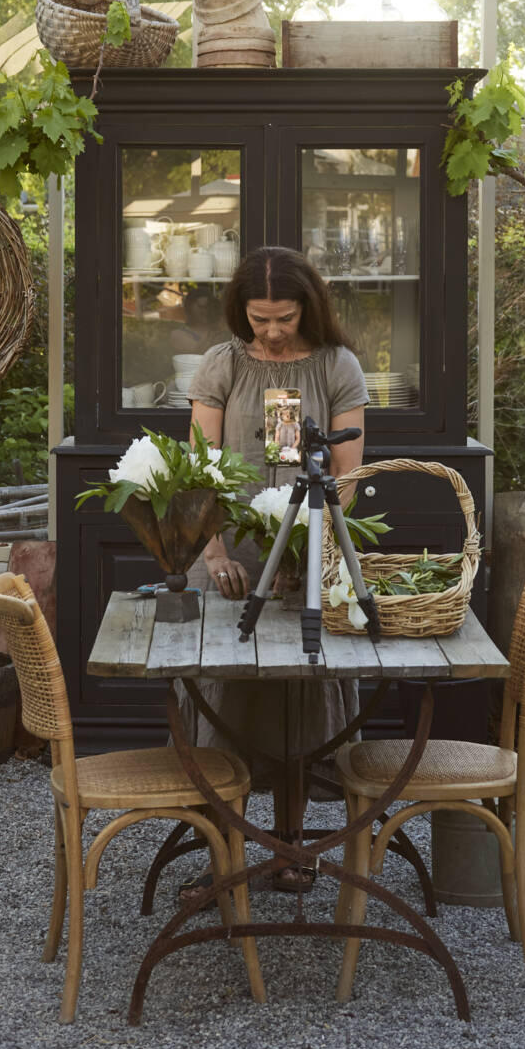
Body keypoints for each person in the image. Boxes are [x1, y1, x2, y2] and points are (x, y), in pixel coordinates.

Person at [182, 246, 369, 892]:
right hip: (230, 559)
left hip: (307, 561)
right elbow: (198, 469)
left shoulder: (337, 365)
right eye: (259, 318)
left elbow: (349, 477)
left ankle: (293, 848)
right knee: (223, 704)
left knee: (301, 703)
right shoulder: (222, 364)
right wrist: (213, 553)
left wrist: (307, 556)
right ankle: (222, 855)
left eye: (284, 317)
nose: (271, 330)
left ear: (307, 307)